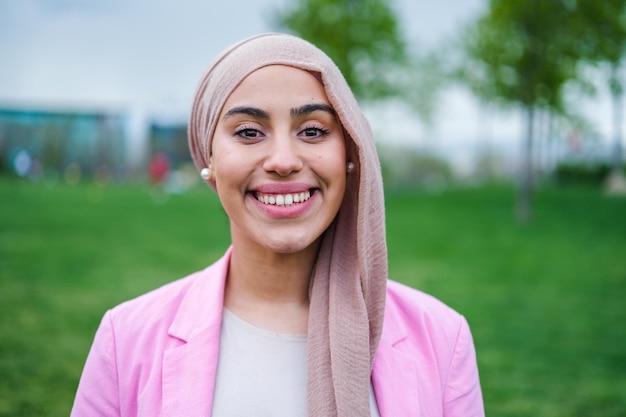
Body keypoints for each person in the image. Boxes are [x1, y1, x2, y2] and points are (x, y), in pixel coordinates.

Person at [71, 33, 484, 417]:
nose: (283, 160)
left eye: (313, 130)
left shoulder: (443, 340)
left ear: (351, 153)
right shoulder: (125, 341)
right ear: (209, 161)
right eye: (249, 132)